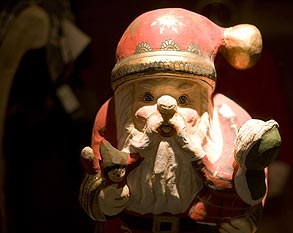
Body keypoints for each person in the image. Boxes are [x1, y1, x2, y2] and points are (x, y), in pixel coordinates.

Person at [79, 8, 281, 233]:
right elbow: (94, 175)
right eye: (148, 97)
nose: (167, 109)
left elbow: (254, 176)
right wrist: (100, 200)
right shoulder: (111, 117)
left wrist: (249, 221)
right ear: (127, 99)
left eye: (184, 99)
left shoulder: (232, 121)